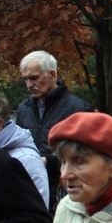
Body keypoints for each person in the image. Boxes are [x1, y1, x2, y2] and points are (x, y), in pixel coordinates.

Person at [16, 50, 93, 212]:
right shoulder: (24, 109)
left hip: (66, 192)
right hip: (30, 191)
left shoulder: (79, 109)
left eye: (34, 78)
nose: (29, 85)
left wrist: (48, 162)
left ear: (51, 75)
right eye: (26, 79)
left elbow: (89, 156)